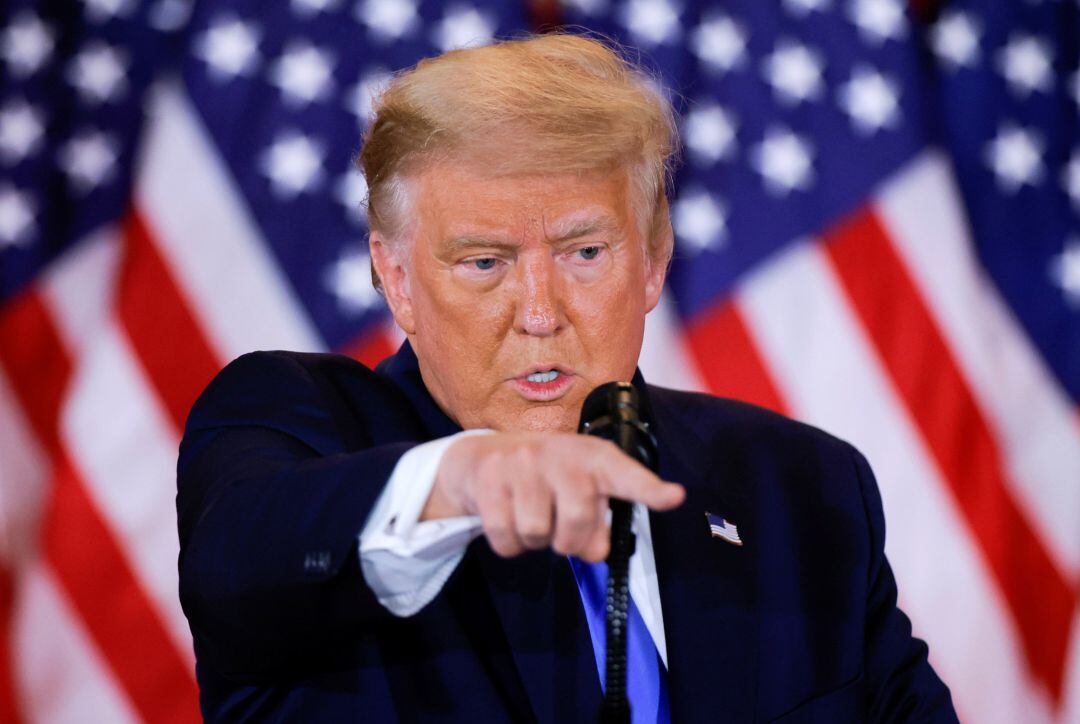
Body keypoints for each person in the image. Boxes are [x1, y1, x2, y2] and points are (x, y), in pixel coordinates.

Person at [176, 33, 957, 722]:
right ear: (398, 277)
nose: (541, 313)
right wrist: (466, 481)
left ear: (653, 260)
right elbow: (241, 565)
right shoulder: (296, 426)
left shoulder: (801, 489)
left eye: (585, 253)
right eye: (485, 263)